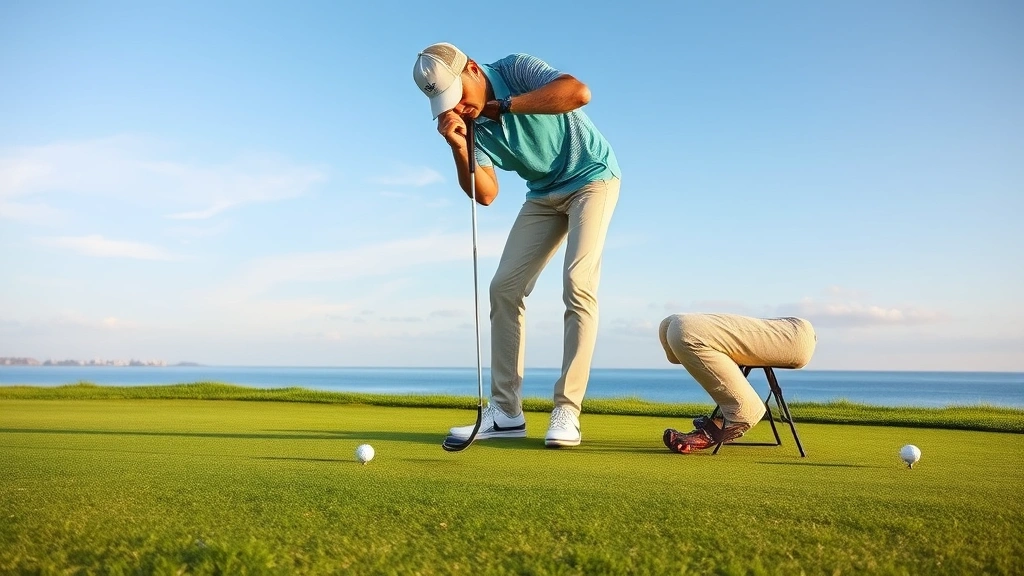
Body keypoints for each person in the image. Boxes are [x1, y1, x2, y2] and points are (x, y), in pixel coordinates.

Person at [412, 43, 620, 447]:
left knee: (578, 283)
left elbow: (578, 93)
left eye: (458, 94)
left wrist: (502, 107)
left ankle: (567, 410)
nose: (457, 107)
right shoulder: (468, 122)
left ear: (473, 69)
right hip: (542, 195)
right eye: (446, 103)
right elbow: (486, 193)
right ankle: (507, 412)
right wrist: (459, 146)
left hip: (592, 178)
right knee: (504, 288)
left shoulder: (515, 69)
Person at [658, 313, 816, 453]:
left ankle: (743, 411)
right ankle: (733, 412)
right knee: (668, 325)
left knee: (684, 330)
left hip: (797, 337)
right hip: (791, 328)